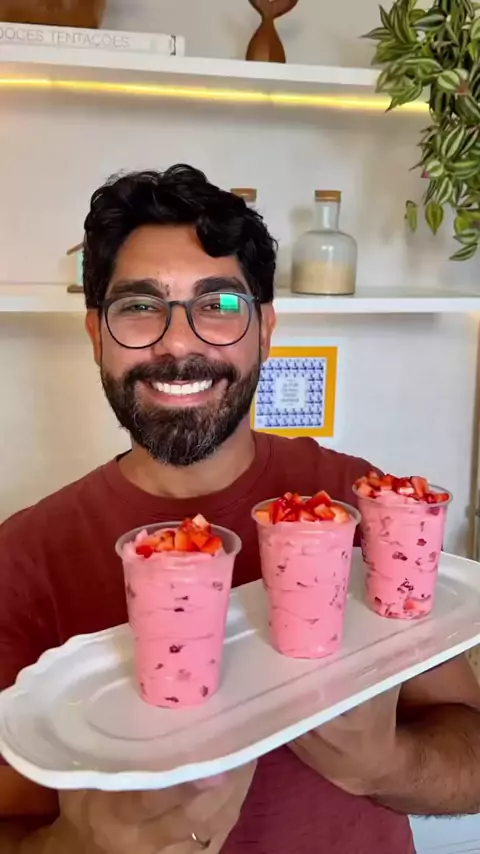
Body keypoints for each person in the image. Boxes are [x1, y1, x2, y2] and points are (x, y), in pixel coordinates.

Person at [1, 165, 480, 854]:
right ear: (97, 335)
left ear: (266, 330)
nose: (178, 343)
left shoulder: (359, 505)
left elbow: (471, 752)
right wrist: (75, 846)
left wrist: (388, 764)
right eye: (139, 307)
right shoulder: (24, 559)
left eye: (219, 304)